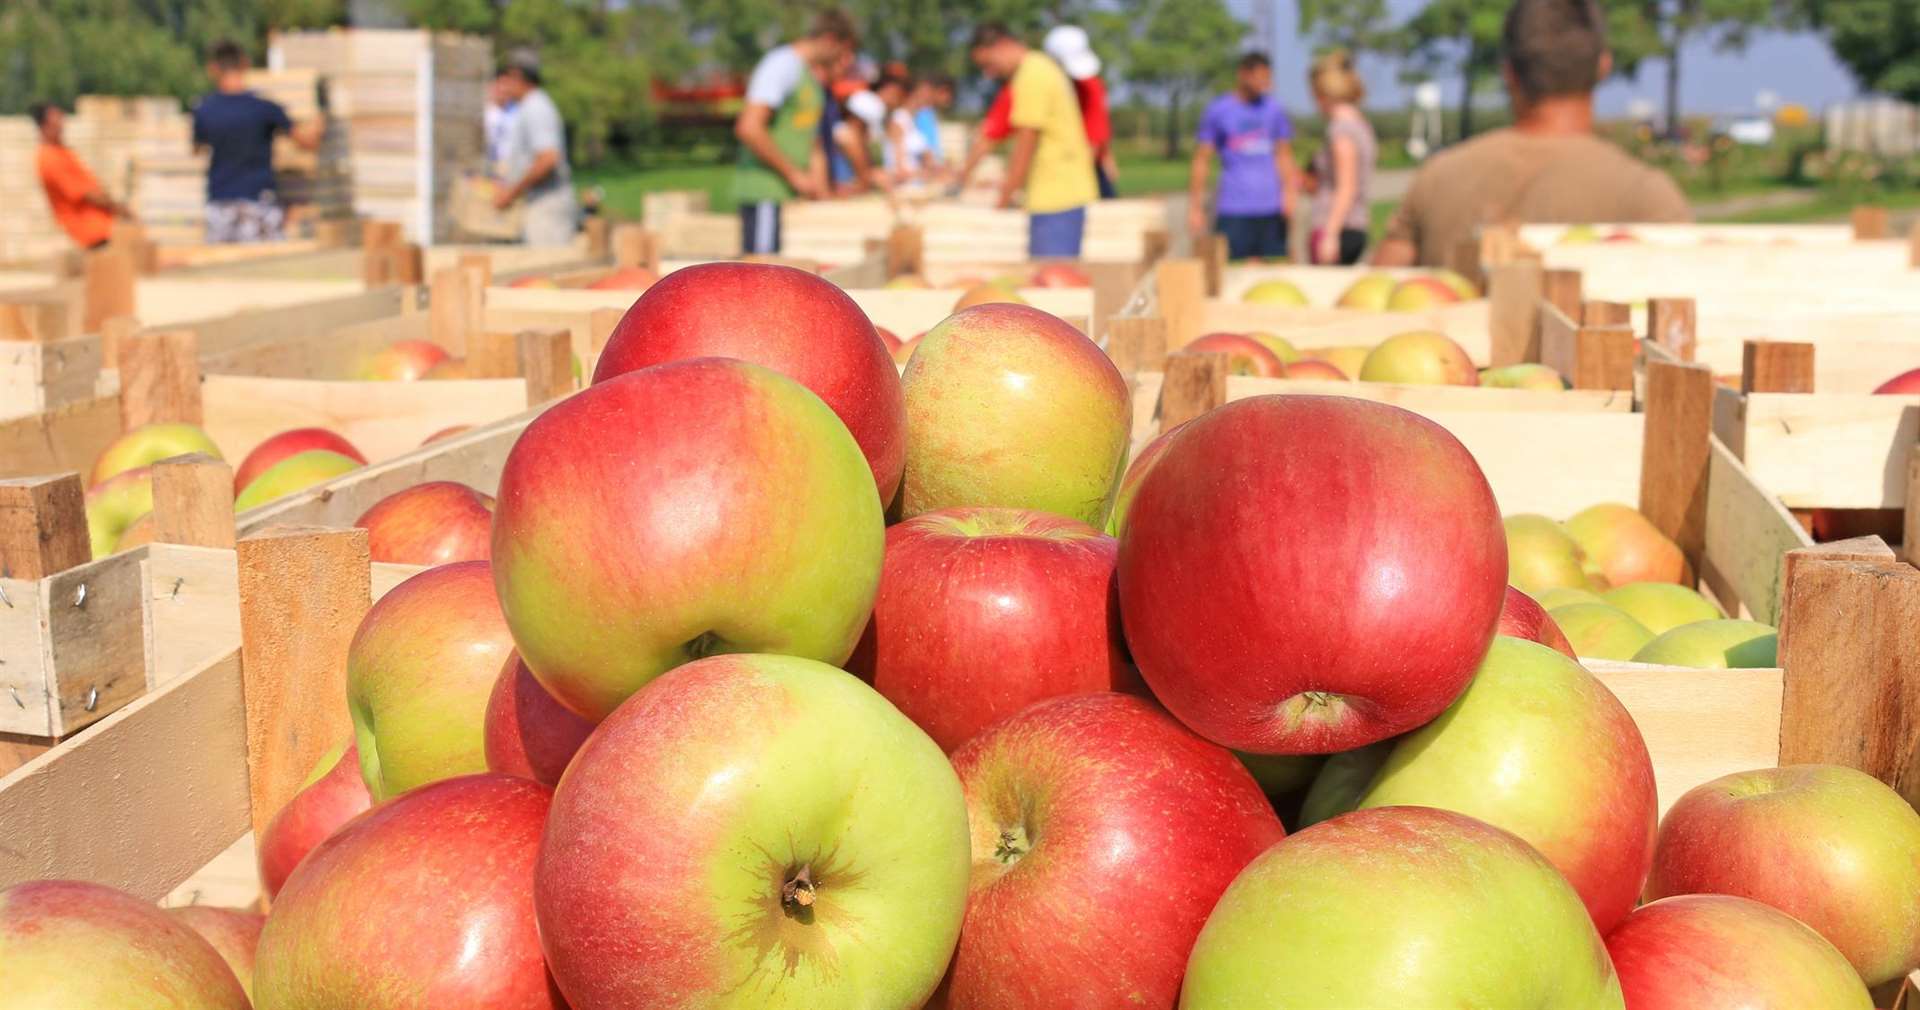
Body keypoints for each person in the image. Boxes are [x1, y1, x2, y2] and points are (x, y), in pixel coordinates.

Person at [1374, 0, 1690, 267]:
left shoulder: (1437, 179)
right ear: (1603, 66)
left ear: (1508, 72)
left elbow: (1375, 295)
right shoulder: (1646, 196)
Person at [968, 23, 1098, 257]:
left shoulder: (1032, 76)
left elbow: (1026, 142)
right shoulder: (1038, 69)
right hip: (1059, 194)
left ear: (1002, 45)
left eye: (988, 63)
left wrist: (1004, 200)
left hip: (1056, 197)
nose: (989, 73)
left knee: (1051, 281)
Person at [733, 10, 858, 254]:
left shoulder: (809, 78)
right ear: (830, 40)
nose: (845, 59)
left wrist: (822, 193)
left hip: (788, 196)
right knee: (763, 276)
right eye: (843, 50)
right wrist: (794, 175)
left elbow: (813, 142)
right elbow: (749, 127)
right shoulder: (782, 65)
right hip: (765, 193)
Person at [193, 40, 320, 243]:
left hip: (219, 206)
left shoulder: (204, 110)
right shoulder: (264, 109)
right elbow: (307, 143)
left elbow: (197, 149)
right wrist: (322, 123)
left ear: (213, 68)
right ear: (245, 64)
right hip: (258, 204)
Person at [1188, 52, 1299, 262]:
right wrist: (1195, 208)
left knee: (1276, 270)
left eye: (1267, 79)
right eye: (1260, 78)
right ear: (1243, 74)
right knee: (1230, 272)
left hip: (1271, 208)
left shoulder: (1274, 110)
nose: (1264, 84)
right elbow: (1202, 160)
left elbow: (1284, 154)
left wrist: (1289, 193)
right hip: (1233, 208)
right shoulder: (1218, 110)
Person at [490, 51, 578, 247]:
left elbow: (548, 159)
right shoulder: (530, 106)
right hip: (540, 203)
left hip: (547, 206)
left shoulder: (536, 107)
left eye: (508, 77)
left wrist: (511, 192)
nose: (504, 84)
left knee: (548, 270)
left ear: (519, 77)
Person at [1306, 50, 1378, 265]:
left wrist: (1330, 235)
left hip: (1338, 226)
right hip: (1356, 224)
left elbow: (1346, 187)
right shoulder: (1361, 124)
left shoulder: (1340, 130)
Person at [31, 103, 128, 251]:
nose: (62, 127)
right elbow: (86, 195)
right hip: (91, 232)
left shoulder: (62, 151)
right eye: (57, 123)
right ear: (44, 126)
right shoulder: (49, 159)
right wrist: (119, 208)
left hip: (103, 226)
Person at [1043, 26, 1118, 199]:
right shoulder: (1039, 86)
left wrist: (1106, 158)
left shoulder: (1091, 86)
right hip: (1051, 173)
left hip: (1084, 171)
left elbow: (1095, 137)